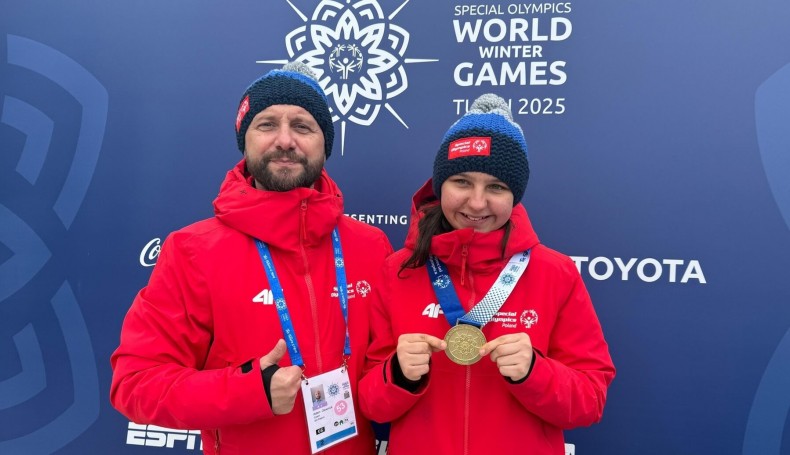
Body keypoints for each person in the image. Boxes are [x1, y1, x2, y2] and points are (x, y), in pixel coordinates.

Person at [110, 62, 392, 455]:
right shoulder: (191, 250)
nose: (285, 140)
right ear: (244, 140)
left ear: (325, 143)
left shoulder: (370, 246)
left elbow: (389, 369)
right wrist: (249, 390)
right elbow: (136, 384)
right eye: (266, 124)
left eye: (303, 126)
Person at [359, 94, 615, 454]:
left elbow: (590, 400)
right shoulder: (399, 270)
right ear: (439, 185)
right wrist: (398, 374)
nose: (477, 203)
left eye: (496, 187)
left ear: (515, 195)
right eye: (461, 181)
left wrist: (534, 373)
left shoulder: (556, 273)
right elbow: (370, 404)